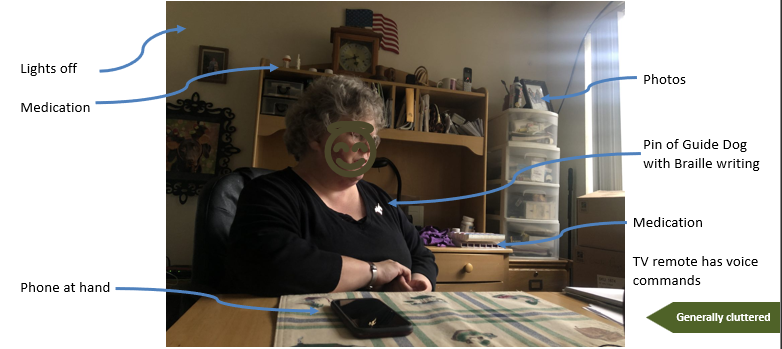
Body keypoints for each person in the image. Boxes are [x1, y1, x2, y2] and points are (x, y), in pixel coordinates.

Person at [225, 75, 437, 296]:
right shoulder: (268, 194)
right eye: (356, 134)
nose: (368, 150)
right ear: (315, 135)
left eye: (372, 139)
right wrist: (374, 273)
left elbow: (422, 255)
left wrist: (419, 284)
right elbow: (273, 265)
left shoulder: (380, 199)